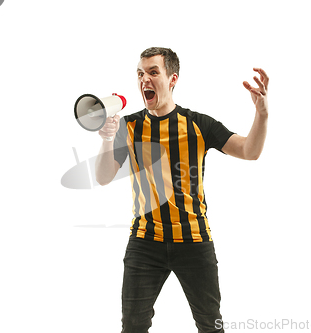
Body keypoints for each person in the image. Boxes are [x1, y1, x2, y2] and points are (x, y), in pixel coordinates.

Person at [95, 47, 269, 333]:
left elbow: (250, 151)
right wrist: (106, 139)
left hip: (193, 240)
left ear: (172, 78)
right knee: (133, 326)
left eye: (153, 72)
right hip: (145, 241)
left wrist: (261, 114)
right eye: (140, 74)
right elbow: (103, 177)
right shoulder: (128, 126)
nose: (144, 80)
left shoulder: (199, 124)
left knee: (210, 325)